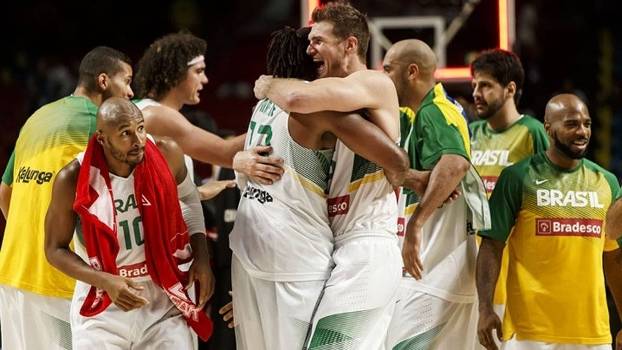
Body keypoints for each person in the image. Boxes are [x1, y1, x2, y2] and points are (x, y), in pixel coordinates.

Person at [234, 22, 428, 350]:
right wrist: (241, 160)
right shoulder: (322, 105)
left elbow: (396, 161)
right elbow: (395, 161)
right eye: (310, 45)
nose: (313, 50)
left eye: (319, 42)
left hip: (359, 244)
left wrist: (239, 157)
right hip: (322, 248)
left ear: (349, 45)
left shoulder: (365, 82)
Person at [45, 97, 214, 348]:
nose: (138, 140)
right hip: (104, 302)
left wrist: (201, 256)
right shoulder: (73, 178)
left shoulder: (168, 154)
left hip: (162, 297)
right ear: (102, 139)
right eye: (126, 133)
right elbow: (54, 249)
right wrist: (103, 280)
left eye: (141, 128)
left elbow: (189, 199)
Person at [0, 46, 134, 350]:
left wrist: (32, 242)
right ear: (103, 81)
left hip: (12, 271)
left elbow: (4, 193)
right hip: (58, 283)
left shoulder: (37, 117)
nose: (130, 91)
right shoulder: (99, 124)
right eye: (126, 80)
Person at [477, 94, 622, 350]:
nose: (582, 131)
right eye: (571, 124)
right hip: (529, 333)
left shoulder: (607, 182)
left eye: (587, 124)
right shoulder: (517, 177)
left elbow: (614, 257)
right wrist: (485, 308)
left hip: (592, 334)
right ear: (548, 127)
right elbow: (491, 246)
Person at [381, 39, 489, 350]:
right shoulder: (425, 112)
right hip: (444, 267)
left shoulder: (434, 111)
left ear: (411, 72)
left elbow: (454, 164)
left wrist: (415, 225)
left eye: (388, 69)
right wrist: (414, 177)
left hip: (440, 266)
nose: (383, 77)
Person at [133, 32, 282, 186]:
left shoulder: (143, 107)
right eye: (198, 71)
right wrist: (277, 117)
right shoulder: (159, 116)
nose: (205, 79)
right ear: (173, 73)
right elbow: (226, 153)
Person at [469, 49, 549, 329]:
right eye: (475, 85)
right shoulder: (471, 133)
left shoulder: (533, 132)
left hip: (513, 267)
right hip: (471, 266)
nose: (477, 92)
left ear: (510, 89)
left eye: (486, 85)